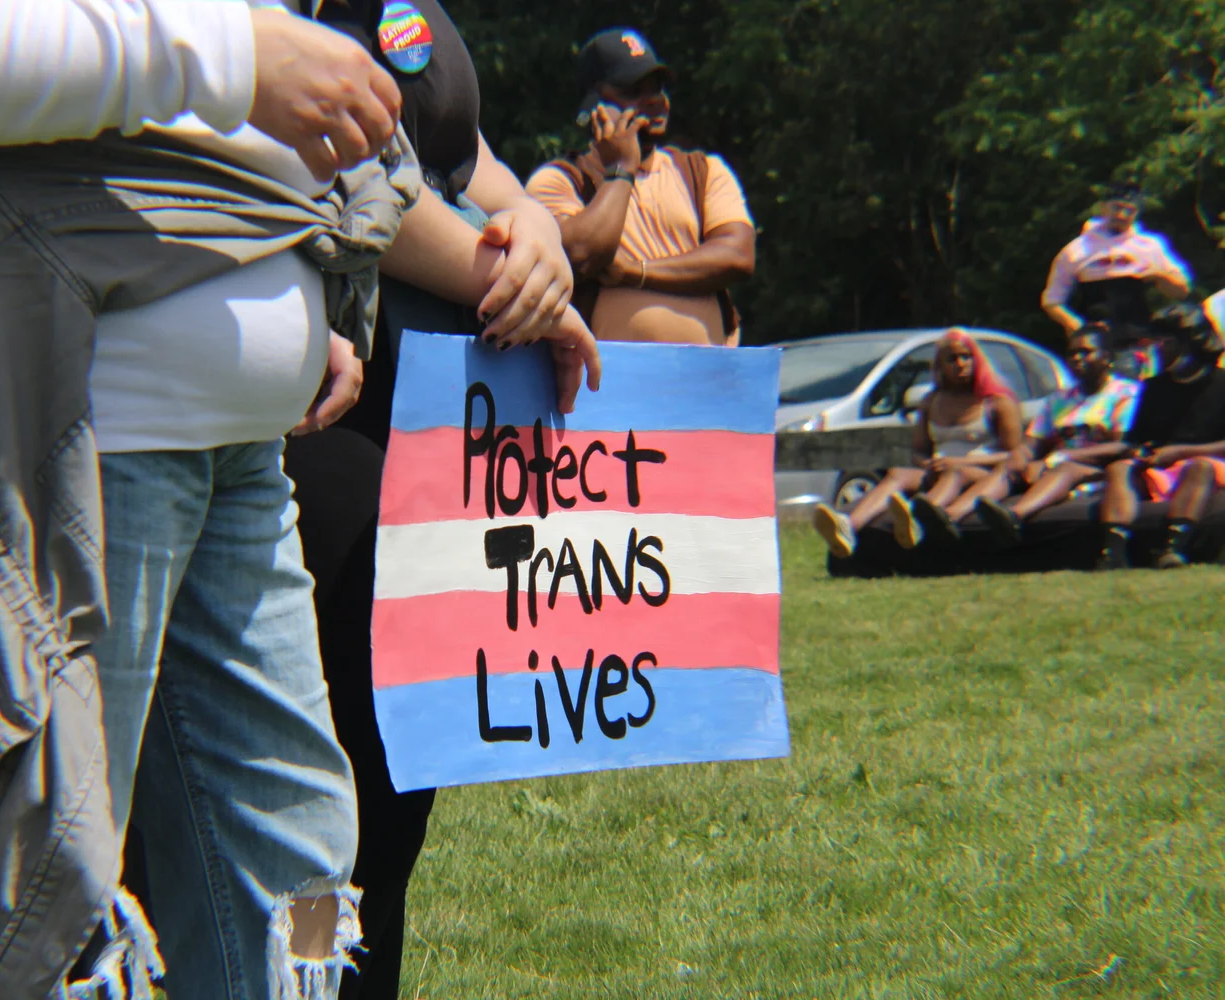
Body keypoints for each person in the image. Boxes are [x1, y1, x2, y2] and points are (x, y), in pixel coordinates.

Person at [0, 2, 414, 998]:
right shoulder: (211, 47)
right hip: (64, 450)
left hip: (236, 457)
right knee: (47, 901)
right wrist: (231, 54)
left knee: (302, 859)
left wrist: (283, 295)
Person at [281, 3, 599, 997]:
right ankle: (302, 976)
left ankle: (347, 979)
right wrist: (503, 274)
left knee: (398, 779)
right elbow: (330, 169)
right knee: (328, 777)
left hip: (442, 429)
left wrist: (537, 224)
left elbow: (468, 162)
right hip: (330, 422)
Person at [524, 27, 755, 346]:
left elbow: (737, 256)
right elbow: (579, 255)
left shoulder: (702, 170)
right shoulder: (560, 180)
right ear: (594, 104)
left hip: (708, 373)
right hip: (609, 374)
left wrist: (636, 272)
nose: (655, 100)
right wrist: (621, 169)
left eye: (657, 88)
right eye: (633, 90)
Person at [812, 328, 1023, 557]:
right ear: (940, 365)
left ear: (977, 359)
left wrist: (958, 462)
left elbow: (1013, 456)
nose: (960, 364)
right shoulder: (931, 401)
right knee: (899, 473)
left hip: (981, 472)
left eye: (966, 356)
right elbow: (917, 451)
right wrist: (927, 464)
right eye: (952, 359)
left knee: (954, 473)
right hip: (939, 469)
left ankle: (916, 520)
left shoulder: (997, 402)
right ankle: (849, 526)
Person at [941, 324, 1140, 545]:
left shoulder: (1125, 393)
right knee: (1010, 466)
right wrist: (1021, 456)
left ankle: (1014, 516)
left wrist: (1061, 457)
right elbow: (1033, 441)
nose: (1077, 358)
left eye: (1086, 352)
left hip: (1099, 469)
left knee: (1066, 469)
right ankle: (951, 517)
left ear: (1106, 357)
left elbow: (1120, 446)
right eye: (1072, 353)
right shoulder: (1060, 399)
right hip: (1055, 465)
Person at [1095, 303, 1225, 569]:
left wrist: (1180, 452)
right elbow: (1136, 438)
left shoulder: (1221, 383)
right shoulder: (1153, 388)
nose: (1157, 350)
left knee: (1199, 467)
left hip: (1209, 464)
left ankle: (1173, 547)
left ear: (1191, 343)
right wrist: (1140, 452)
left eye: (1165, 343)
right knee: (1119, 469)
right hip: (1162, 465)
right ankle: (1114, 552)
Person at [1041, 181, 1190, 376]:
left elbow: (1182, 291)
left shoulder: (1149, 246)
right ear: (1103, 207)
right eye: (1117, 208)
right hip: (1095, 345)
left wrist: (1158, 275)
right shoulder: (1076, 250)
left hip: (1138, 341)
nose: (1122, 215)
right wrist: (1075, 324)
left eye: (1130, 210)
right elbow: (1052, 301)